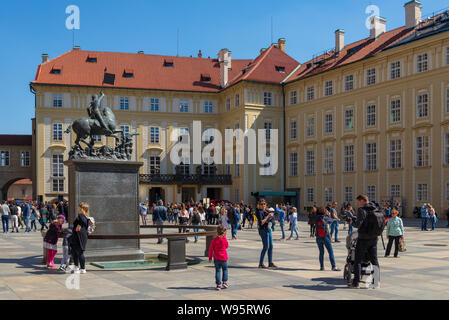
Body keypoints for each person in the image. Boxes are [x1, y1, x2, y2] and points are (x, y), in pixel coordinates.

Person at [348, 194, 381, 289]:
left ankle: (356, 283)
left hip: (363, 239)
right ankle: (376, 282)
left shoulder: (362, 210)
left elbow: (359, 224)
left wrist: (352, 222)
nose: (358, 204)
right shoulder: (375, 208)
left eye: (358, 202)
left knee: (358, 260)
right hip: (374, 238)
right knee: (374, 261)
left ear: (362, 200)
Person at [314, 207, 340, 271]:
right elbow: (332, 220)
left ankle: (322, 267)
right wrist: (328, 215)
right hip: (325, 237)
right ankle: (333, 266)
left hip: (318, 237)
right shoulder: (325, 218)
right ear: (324, 212)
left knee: (321, 252)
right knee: (330, 252)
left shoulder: (316, 218)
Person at [255, 199, 277, 269]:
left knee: (271, 246)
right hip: (263, 230)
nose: (263, 205)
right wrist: (268, 216)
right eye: (261, 204)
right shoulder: (259, 212)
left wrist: (271, 215)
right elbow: (261, 222)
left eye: (264, 204)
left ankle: (270, 262)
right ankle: (260, 263)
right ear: (259, 205)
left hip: (268, 229)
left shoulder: (265, 210)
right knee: (266, 247)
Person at [71, 203, 90, 274]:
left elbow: (82, 221)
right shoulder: (86, 216)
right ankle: (78, 267)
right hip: (80, 236)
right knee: (76, 252)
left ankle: (81, 268)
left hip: (79, 237)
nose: (77, 208)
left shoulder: (81, 215)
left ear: (81, 208)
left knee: (78, 252)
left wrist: (79, 225)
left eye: (79, 207)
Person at [209, 225, 229, 291]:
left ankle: (218, 285)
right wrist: (224, 238)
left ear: (217, 232)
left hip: (216, 258)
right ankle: (225, 282)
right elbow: (227, 246)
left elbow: (211, 250)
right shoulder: (224, 239)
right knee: (225, 270)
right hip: (224, 258)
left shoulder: (214, 240)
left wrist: (210, 258)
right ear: (224, 233)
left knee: (218, 271)